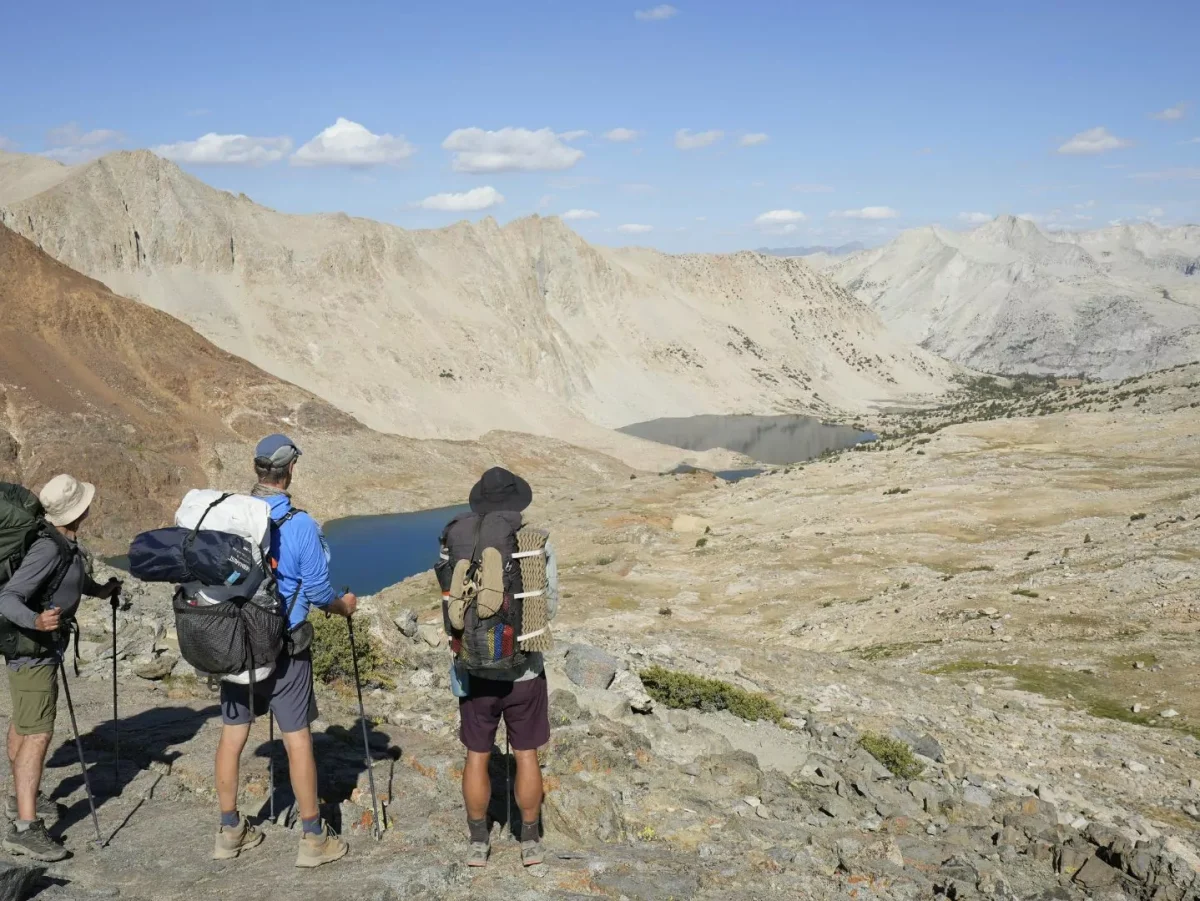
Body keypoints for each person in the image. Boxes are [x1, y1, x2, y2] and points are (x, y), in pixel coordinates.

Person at [212, 434, 357, 867]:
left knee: (232, 735)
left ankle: (229, 831)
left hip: (236, 643)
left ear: (258, 470)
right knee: (297, 740)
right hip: (285, 647)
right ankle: (313, 838)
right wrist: (343, 606)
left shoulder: (231, 517)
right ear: (290, 469)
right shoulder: (298, 524)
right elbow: (317, 591)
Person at [440, 467, 557, 872]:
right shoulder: (530, 541)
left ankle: (477, 843)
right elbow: (549, 605)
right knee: (525, 755)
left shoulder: (456, 540)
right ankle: (530, 842)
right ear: (516, 503)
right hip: (523, 669)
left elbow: (447, 604)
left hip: (472, 670)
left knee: (477, 755)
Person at [0, 474, 119, 862]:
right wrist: (36, 622)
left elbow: (66, 580)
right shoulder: (47, 548)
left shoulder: (62, 543)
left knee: (24, 721)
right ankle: (25, 829)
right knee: (38, 734)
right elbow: (9, 596)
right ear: (78, 510)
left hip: (38, 649)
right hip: (32, 649)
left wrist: (99, 590)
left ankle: (20, 799)